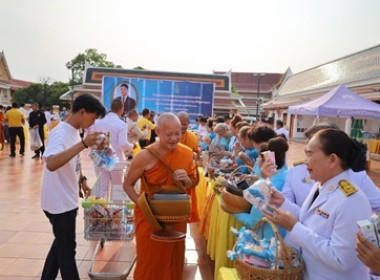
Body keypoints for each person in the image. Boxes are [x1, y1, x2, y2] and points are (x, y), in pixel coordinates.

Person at [263, 129, 373, 279]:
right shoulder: (320, 185)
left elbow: (342, 259)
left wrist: (295, 228)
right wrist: (283, 202)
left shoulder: (352, 200)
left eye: (310, 154)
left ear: (332, 160)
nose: (305, 161)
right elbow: (310, 220)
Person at [123, 113, 198, 280]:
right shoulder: (144, 156)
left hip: (176, 214)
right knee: (149, 259)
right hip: (149, 217)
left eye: (178, 133)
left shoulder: (186, 154)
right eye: (168, 134)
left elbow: (192, 182)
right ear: (157, 131)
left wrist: (186, 180)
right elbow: (127, 185)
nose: (174, 138)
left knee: (173, 258)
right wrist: (142, 205)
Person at [40, 94, 106, 280]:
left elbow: (73, 160)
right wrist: (84, 144)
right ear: (82, 112)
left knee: (61, 244)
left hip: (66, 198)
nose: (92, 123)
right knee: (67, 251)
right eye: (92, 118)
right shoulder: (61, 133)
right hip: (59, 203)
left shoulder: (74, 131)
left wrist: (82, 180)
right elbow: (51, 163)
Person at [281, 123, 380, 211]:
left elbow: (377, 203)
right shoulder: (296, 172)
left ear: (332, 157)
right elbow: (290, 207)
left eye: (311, 151)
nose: (307, 159)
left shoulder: (356, 176)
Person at [89, 98, 133, 163]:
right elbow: (123, 144)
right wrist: (132, 146)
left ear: (111, 107)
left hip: (98, 158)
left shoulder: (97, 122)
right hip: (115, 160)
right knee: (116, 172)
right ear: (122, 109)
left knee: (99, 173)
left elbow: (90, 138)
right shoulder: (122, 125)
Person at [177, 111, 200, 223]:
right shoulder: (170, 135)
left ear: (188, 123)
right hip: (172, 174)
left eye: (184, 124)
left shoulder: (192, 137)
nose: (182, 126)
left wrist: (195, 155)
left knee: (185, 204)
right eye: (179, 123)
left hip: (187, 175)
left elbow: (196, 154)